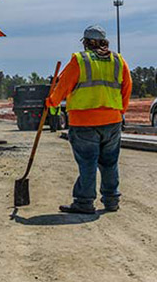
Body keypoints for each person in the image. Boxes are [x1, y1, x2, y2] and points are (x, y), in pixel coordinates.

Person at [47, 25, 132, 214]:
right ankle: (111, 201)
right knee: (110, 162)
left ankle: (84, 202)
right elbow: (127, 87)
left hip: (84, 122)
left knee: (87, 163)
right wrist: (120, 111)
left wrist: (52, 101)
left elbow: (63, 87)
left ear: (85, 42)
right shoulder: (118, 61)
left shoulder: (79, 61)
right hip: (112, 120)